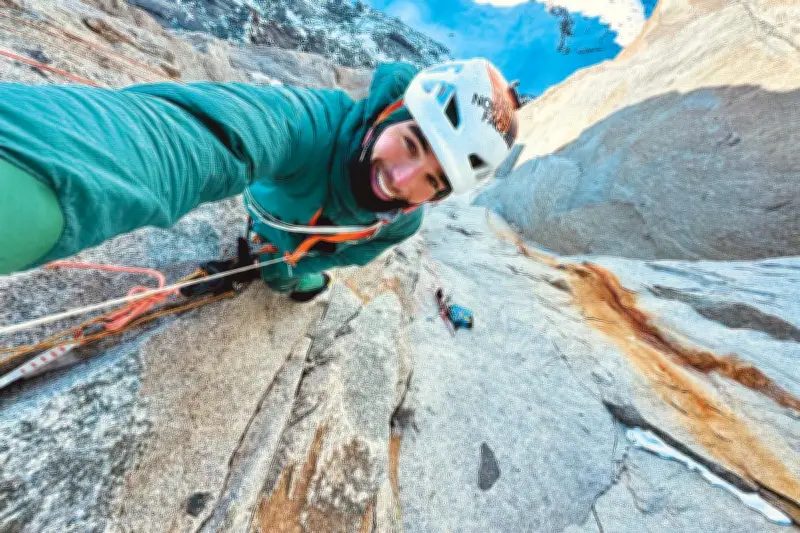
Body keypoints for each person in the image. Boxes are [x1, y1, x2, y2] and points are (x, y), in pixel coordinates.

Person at [0, 58, 520, 302]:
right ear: (388, 113)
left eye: (431, 181)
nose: (401, 180)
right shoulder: (312, 125)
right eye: (410, 143)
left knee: (291, 284)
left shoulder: (400, 225)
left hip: (295, 248)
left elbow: (353, 253)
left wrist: (300, 263)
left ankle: (299, 281)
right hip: (266, 214)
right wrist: (42, 181)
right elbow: (209, 134)